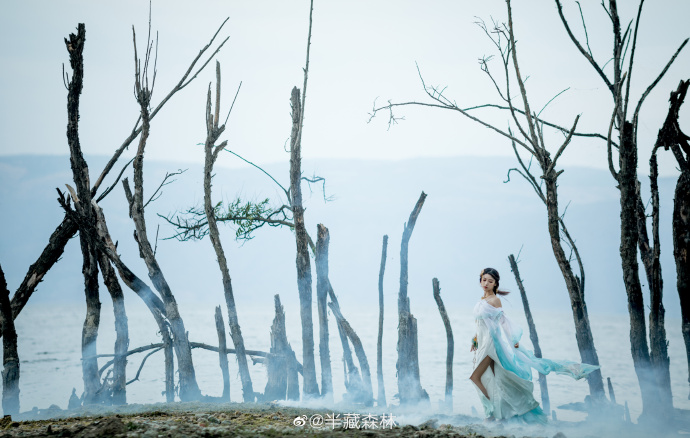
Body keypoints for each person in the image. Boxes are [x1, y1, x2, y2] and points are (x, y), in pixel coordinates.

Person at [469, 268, 599, 424]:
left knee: (476, 377)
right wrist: (474, 339)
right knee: (493, 378)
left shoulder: (495, 300)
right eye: (484, 280)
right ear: (480, 280)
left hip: (491, 343)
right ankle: (499, 413)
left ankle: (491, 414)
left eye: (490, 281)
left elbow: (502, 322)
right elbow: (481, 323)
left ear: (496, 283)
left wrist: (512, 338)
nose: (486, 283)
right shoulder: (481, 300)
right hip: (482, 341)